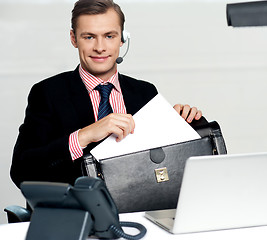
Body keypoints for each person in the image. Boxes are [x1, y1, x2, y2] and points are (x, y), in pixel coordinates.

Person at [10, 0, 202, 188]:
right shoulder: (47, 93)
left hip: (136, 210)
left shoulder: (145, 93)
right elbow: (21, 171)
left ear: (122, 39)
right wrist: (84, 136)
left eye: (109, 36)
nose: (100, 47)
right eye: (89, 37)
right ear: (73, 38)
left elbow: (164, 166)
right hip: (78, 215)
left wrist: (181, 125)